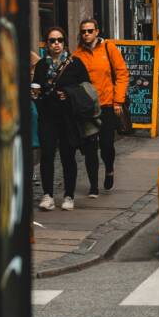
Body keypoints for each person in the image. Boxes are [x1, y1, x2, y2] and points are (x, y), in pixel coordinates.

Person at [33, 27, 91, 211]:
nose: (56, 44)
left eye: (59, 40)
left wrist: (69, 93)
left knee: (68, 157)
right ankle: (48, 195)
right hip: (47, 117)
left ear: (64, 42)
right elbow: (37, 88)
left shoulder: (75, 64)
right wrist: (35, 94)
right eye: (52, 40)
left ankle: (69, 195)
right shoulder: (42, 65)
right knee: (47, 155)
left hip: (68, 118)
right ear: (46, 44)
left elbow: (87, 89)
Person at [72, 19, 129, 196]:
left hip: (106, 104)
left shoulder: (108, 48)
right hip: (87, 108)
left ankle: (109, 168)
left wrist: (118, 101)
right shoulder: (77, 54)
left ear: (97, 31)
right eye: (83, 31)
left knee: (106, 145)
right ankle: (93, 186)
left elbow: (122, 73)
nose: (87, 34)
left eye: (90, 30)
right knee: (90, 148)